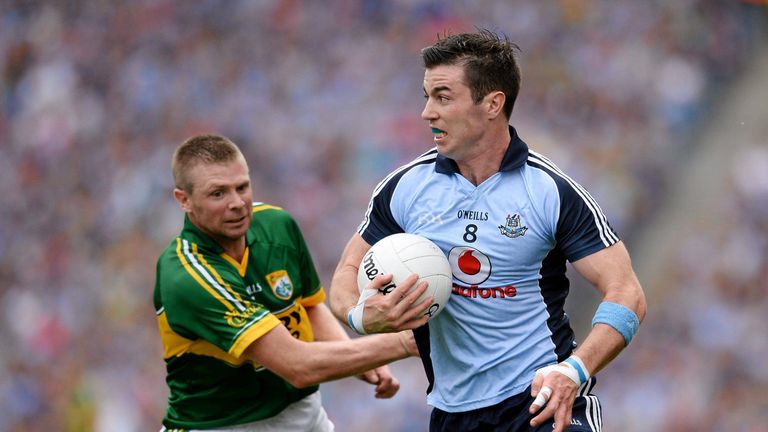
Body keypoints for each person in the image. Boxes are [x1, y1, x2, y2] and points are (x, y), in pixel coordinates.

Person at [329, 29, 647, 432]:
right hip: (452, 412)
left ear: (493, 103)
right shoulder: (405, 188)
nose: (427, 112)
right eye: (426, 97)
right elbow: (346, 273)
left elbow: (627, 293)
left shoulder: (549, 191)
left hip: (543, 402)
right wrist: (360, 316)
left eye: (443, 97)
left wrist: (575, 370)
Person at [153, 134, 429, 431]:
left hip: (304, 414)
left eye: (242, 187)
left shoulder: (276, 224)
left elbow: (307, 308)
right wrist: (406, 341)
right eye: (217, 194)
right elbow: (297, 366)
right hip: (223, 425)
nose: (237, 203)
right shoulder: (187, 274)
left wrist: (359, 358)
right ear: (184, 200)